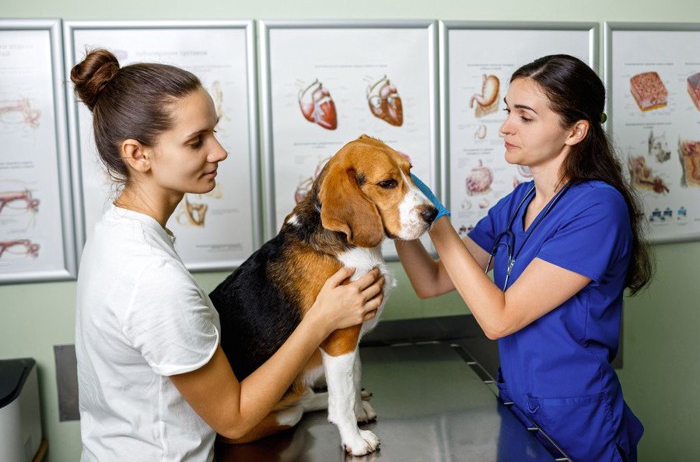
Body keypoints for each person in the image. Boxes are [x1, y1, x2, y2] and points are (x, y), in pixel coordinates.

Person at [72, 49, 385, 461]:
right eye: (196, 140)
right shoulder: (153, 279)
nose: (218, 151)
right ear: (137, 154)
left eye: (214, 132)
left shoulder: (113, 235)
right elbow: (234, 420)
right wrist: (322, 318)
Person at [397, 54, 653, 461]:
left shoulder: (598, 208)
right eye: (507, 111)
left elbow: (499, 319)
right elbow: (432, 282)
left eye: (525, 116)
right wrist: (397, 212)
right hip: (519, 408)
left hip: (577, 422)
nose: (505, 126)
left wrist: (435, 217)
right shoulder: (518, 202)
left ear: (575, 131)